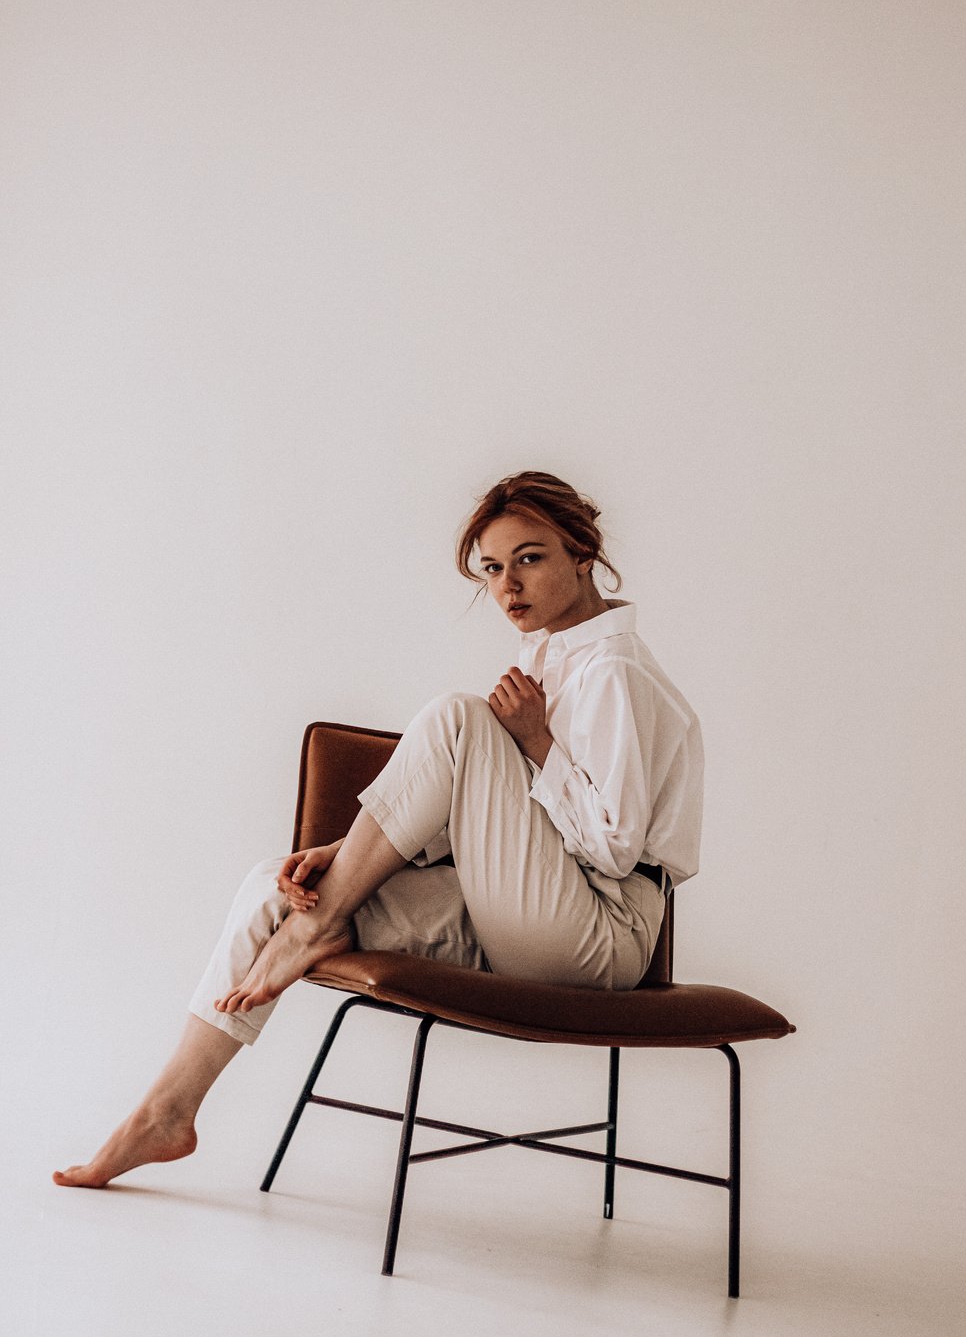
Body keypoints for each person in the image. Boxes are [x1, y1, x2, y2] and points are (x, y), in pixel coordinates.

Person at [53, 470, 703, 1189]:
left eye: (530, 557)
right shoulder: (550, 659)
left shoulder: (612, 670)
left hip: (599, 935)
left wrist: (534, 743)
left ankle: (317, 924)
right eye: (491, 569)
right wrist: (339, 852)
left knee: (459, 718)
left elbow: (612, 850)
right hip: (533, 909)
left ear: (582, 553)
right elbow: (506, 828)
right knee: (271, 890)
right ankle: (164, 1115)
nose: (507, 587)